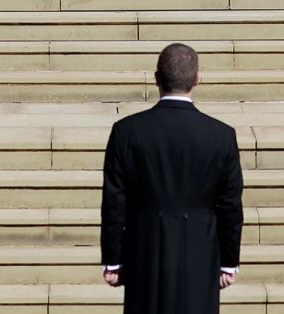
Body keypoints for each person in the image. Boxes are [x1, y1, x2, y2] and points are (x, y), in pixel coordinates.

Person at [100, 43, 244, 314]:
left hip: (145, 250)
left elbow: (114, 203)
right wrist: (228, 261)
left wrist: (114, 259)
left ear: (157, 79)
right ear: (197, 79)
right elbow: (230, 206)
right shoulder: (221, 136)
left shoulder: (126, 132)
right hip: (201, 251)